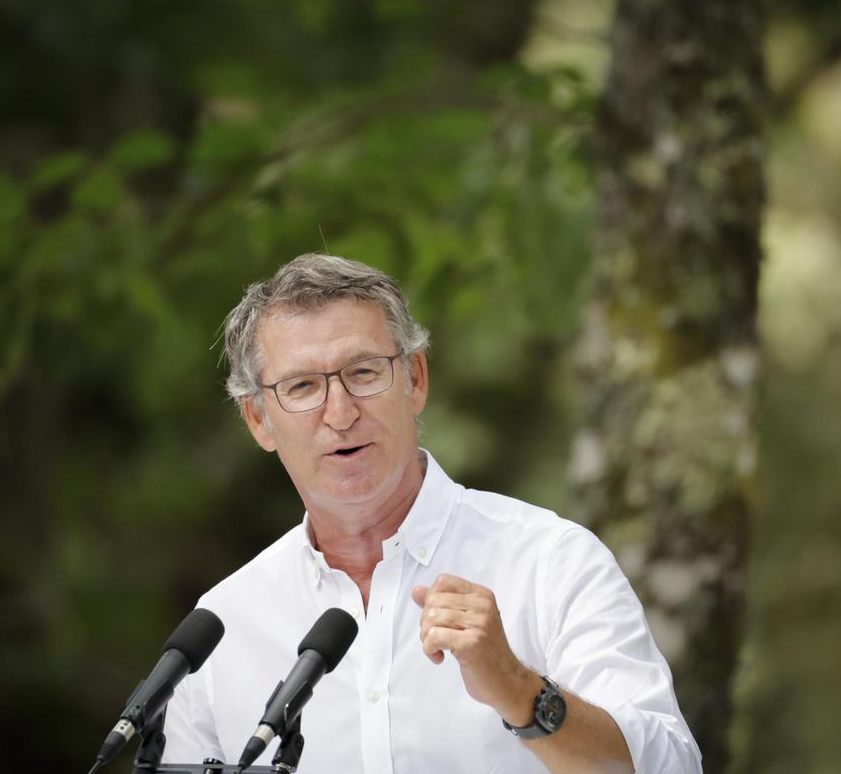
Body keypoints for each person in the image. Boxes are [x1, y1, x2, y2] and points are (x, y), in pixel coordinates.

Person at [161, 254, 700, 773]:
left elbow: (671, 767)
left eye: (364, 372)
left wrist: (518, 688)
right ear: (258, 419)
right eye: (302, 386)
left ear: (415, 379)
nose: (341, 413)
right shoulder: (222, 627)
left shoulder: (550, 563)